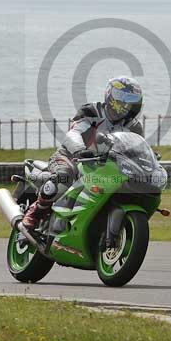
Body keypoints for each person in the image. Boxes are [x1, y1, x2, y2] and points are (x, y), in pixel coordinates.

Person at [21, 76, 145, 230]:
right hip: (71, 156)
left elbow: (136, 149)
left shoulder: (134, 127)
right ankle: (36, 211)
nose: (126, 104)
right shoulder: (91, 111)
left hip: (103, 166)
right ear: (110, 95)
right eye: (122, 98)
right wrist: (80, 150)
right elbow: (73, 133)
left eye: (131, 100)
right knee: (66, 175)